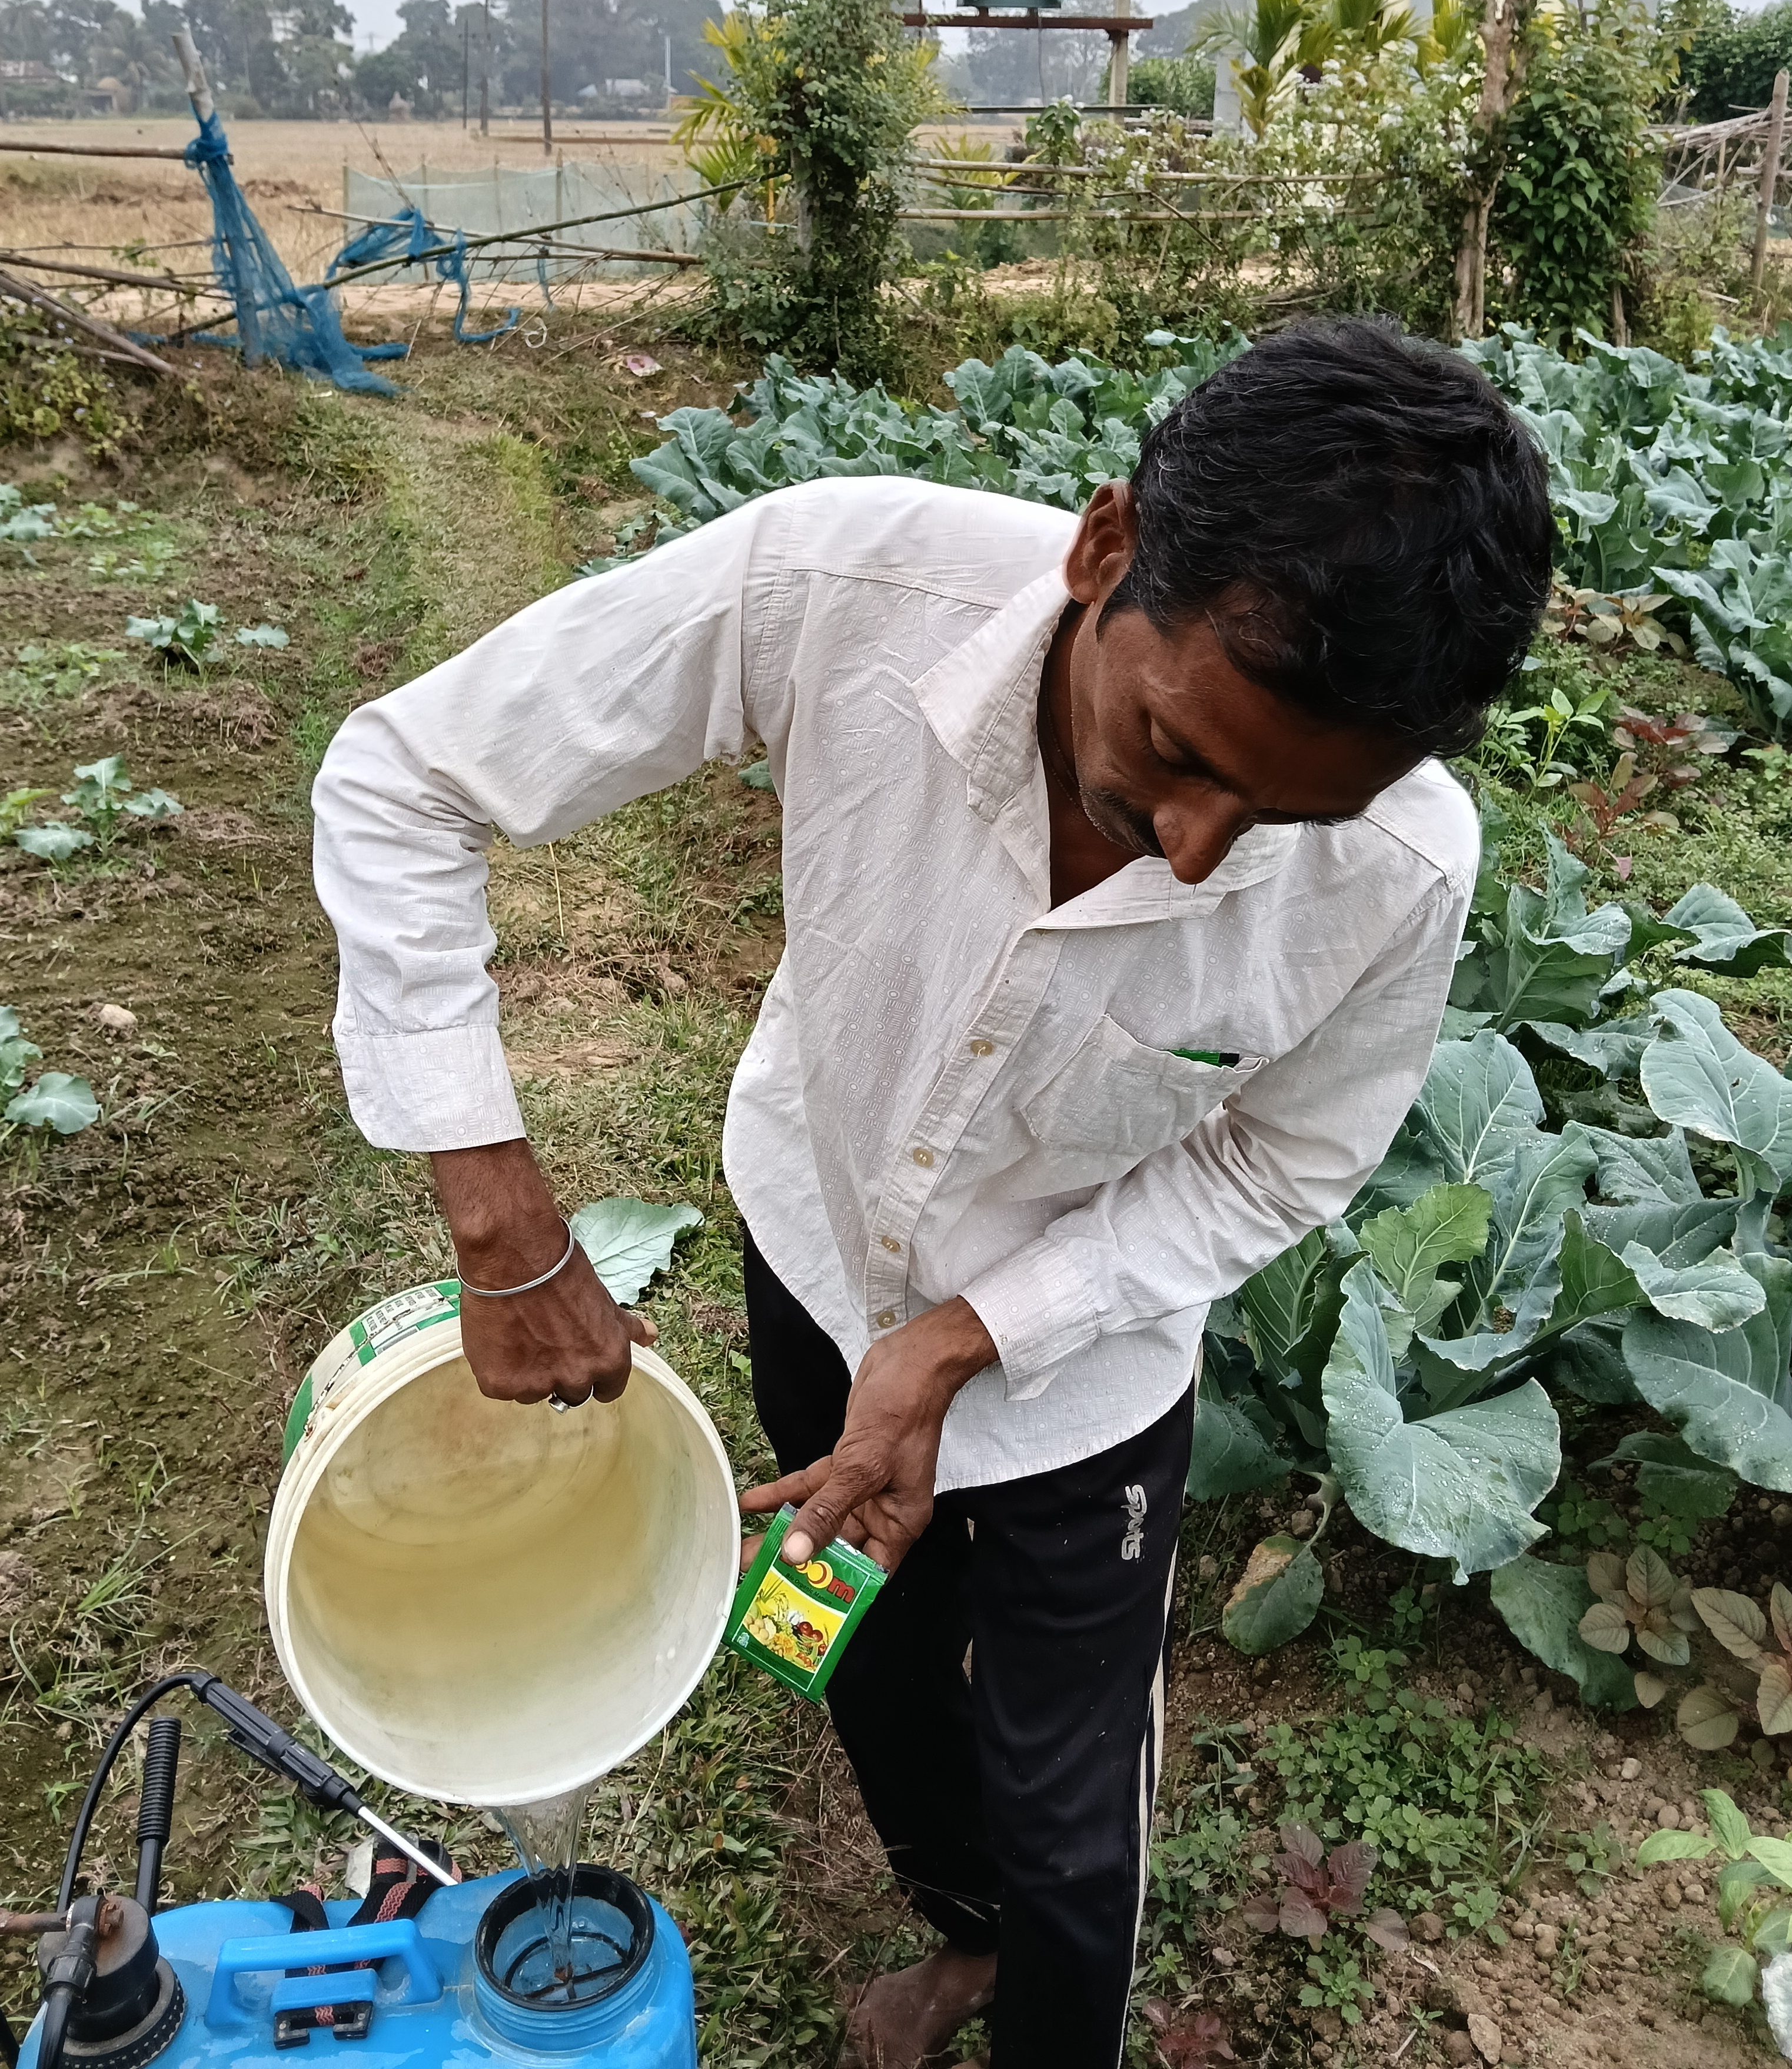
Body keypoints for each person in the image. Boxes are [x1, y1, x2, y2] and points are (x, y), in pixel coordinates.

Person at [312, 316, 1551, 2069]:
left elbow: (1287, 1154)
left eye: (1280, 821)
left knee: (1072, 1815)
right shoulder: (837, 583)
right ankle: (963, 1935)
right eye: (1180, 749)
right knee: (872, 1673)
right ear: (1106, 548)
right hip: (815, 1260)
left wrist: (977, 1331)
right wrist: (502, 1224)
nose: (1196, 849)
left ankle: (1046, 1994)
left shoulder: (1405, 869)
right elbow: (406, 777)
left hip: (1083, 1379)